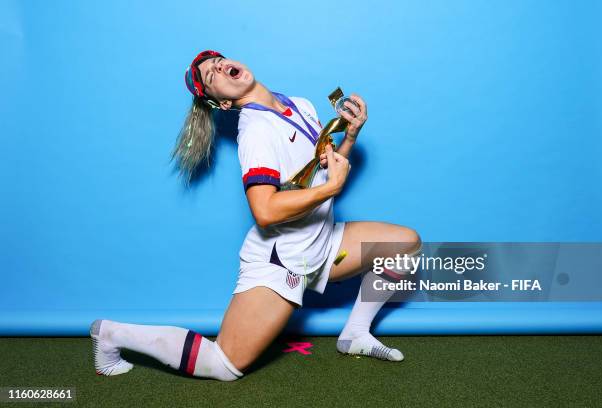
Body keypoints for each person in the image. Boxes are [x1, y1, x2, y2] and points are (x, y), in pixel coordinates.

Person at [90, 50, 422, 381]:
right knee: (223, 365)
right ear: (221, 103)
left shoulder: (300, 104)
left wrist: (349, 137)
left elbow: (325, 170)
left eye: (219, 61)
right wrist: (330, 190)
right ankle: (112, 333)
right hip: (283, 261)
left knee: (405, 244)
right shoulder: (256, 132)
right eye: (211, 75)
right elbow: (264, 211)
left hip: (323, 243)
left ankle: (354, 335)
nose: (219, 67)